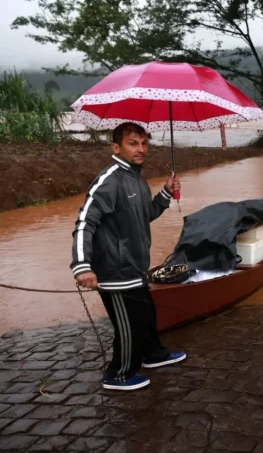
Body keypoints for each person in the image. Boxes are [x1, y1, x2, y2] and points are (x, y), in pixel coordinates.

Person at [70, 122, 187, 391]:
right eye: (133, 143)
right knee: (129, 326)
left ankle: (152, 355)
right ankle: (119, 374)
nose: (141, 148)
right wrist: (82, 266)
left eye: (144, 143)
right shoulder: (109, 180)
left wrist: (167, 191)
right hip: (115, 271)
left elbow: (146, 215)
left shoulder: (136, 178)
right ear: (116, 147)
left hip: (136, 267)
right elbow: (85, 222)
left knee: (146, 315)